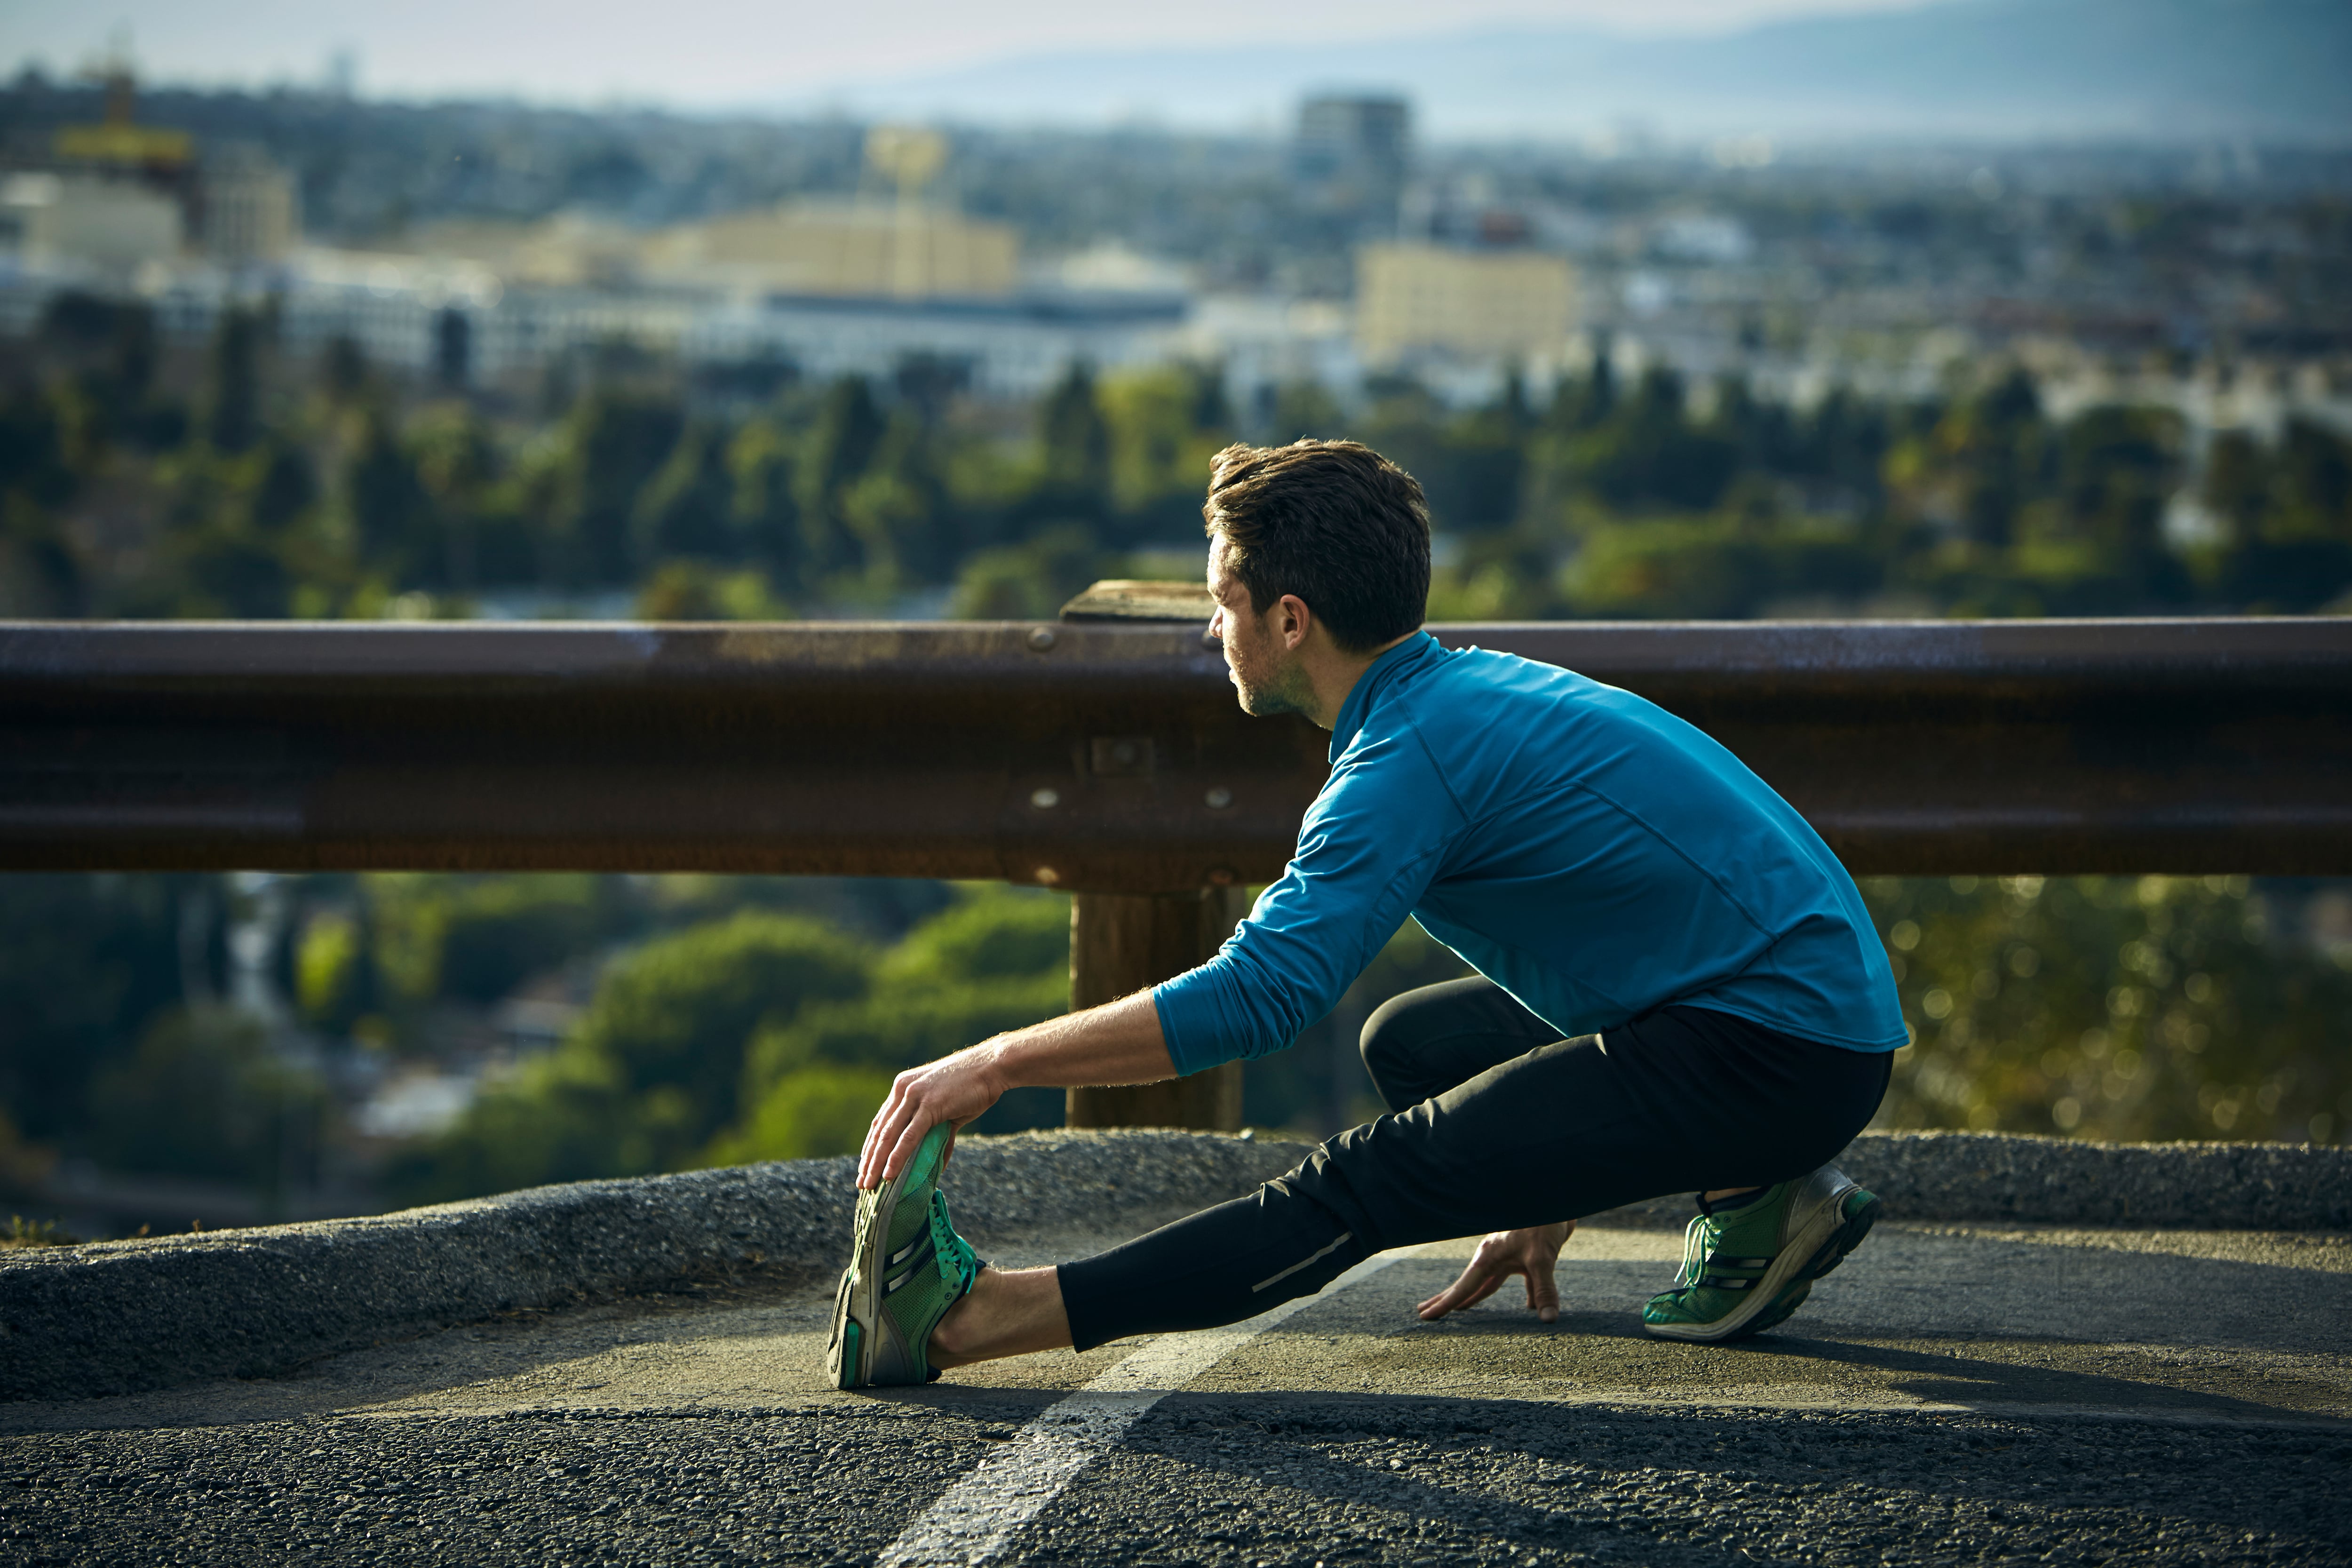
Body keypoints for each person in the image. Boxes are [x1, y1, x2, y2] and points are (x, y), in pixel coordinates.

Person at [826, 439, 1903, 1390]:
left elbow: (1262, 995)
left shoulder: (1403, 761)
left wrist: (1000, 1061)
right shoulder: (1458, 690)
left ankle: (965, 1323)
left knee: (1362, 1184)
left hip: (1777, 1051)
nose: (1212, 628)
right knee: (1415, 1041)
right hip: (1796, 1019)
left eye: (1222, 602)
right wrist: (1537, 1172)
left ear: (1289, 619)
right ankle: (1764, 1192)